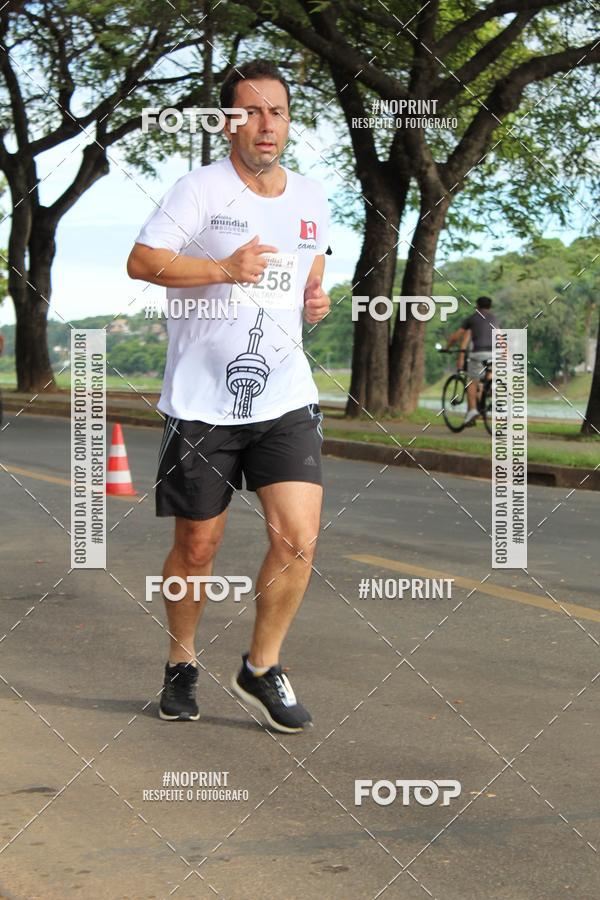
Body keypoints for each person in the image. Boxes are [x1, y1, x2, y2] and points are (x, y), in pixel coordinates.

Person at [127, 59, 330, 733]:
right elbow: (143, 260)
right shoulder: (197, 189)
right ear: (227, 121)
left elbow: (312, 264)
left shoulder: (310, 196)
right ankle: (180, 665)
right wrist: (221, 267)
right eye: (251, 111)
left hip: (285, 394)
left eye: (277, 111)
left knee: (298, 540)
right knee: (197, 548)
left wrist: (315, 298)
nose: (266, 124)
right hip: (201, 402)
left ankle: (261, 667)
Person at [446, 296, 499, 425]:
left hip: (476, 354)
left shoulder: (472, 320)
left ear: (477, 306)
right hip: (493, 353)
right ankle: (491, 390)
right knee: (485, 379)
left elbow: (462, 341)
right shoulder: (494, 319)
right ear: (490, 306)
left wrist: (449, 348)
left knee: (472, 382)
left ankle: (473, 411)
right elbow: (500, 336)